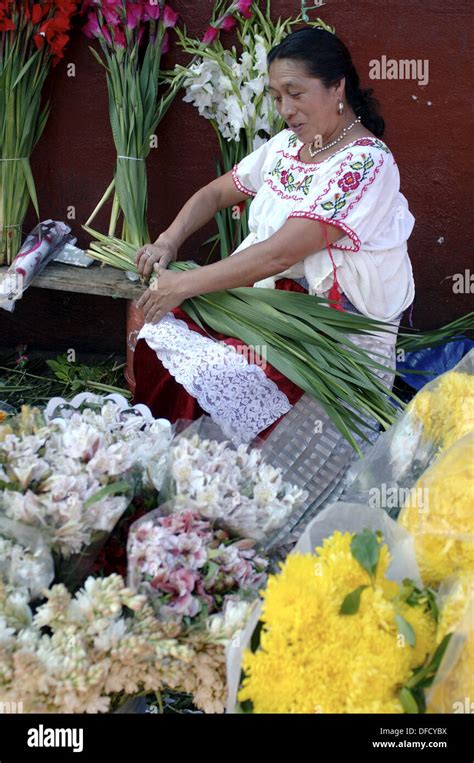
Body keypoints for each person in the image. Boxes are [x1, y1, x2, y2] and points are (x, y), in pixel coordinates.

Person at [131, 26, 415, 448]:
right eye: (276, 96)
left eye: (295, 93)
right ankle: (180, 459)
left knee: (214, 371)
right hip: (265, 302)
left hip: (324, 329)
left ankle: (218, 472)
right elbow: (215, 192)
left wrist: (186, 283)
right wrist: (169, 241)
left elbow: (280, 253)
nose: (285, 108)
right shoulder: (285, 146)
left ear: (337, 86)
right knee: (152, 323)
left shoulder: (365, 164)